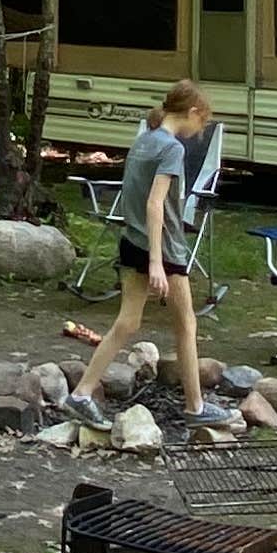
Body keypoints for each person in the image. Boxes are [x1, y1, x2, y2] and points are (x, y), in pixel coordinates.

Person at [67, 81, 226, 421]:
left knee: (127, 323)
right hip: (163, 248)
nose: (201, 129)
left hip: (132, 241)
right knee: (186, 324)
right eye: (203, 121)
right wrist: (156, 262)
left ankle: (81, 394)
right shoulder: (172, 148)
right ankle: (195, 406)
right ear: (192, 112)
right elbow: (155, 205)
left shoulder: (143, 140)